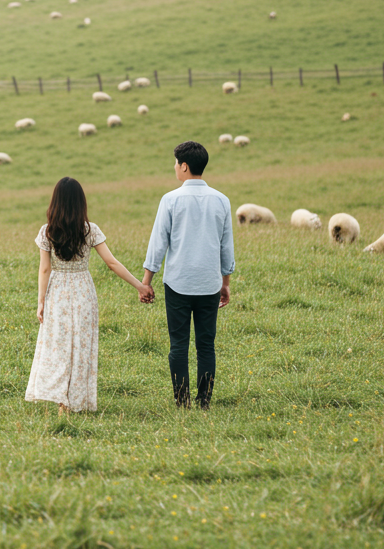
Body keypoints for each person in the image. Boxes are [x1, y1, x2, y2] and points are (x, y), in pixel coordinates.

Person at [27, 177, 154, 414]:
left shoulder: (47, 231)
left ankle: (60, 399)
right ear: (80, 203)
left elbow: (44, 269)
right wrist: (140, 285)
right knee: (81, 345)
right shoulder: (90, 229)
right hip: (83, 290)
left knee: (59, 345)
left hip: (57, 292)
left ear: (55, 202)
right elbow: (112, 263)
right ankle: (76, 400)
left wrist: (41, 301)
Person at [142, 141, 235, 409]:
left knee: (179, 345)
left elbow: (158, 243)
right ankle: (204, 401)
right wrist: (225, 283)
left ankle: (182, 402)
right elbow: (225, 246)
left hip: (178, 284)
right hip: (209, 283)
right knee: (206, 345)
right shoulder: (222, 200)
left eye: (175, 163)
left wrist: (146, 283)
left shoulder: (170, 200)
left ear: (184, 166)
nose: (174, 168)